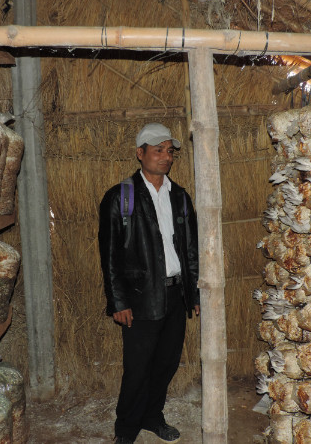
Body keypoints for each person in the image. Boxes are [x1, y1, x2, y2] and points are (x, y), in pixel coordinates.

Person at [98, 123, 200, 444]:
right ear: (140, 153)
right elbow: (110, 254)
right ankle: (126, 430)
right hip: (140, 299)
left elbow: (191, 250)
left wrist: (193, 292)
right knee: (137, 369)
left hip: (175, 295)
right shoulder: (120, 198)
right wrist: (118, 301)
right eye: (158, 149)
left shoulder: (180, 198)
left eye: (170, 151)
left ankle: (152, 417)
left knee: (166, 365)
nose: (166, 156)